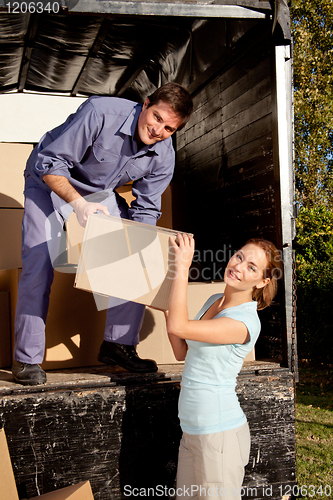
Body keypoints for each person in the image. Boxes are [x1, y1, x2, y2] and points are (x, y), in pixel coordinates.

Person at [12, 83, 194, 386]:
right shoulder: (101, 113)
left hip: (99, 192)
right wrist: (79, 206)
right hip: (49, 179)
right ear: (146, 103)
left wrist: (143, 249)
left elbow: (147, 210)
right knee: (40, 261)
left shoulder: (163, 155)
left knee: (140, 251)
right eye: (157, 117)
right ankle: (27, 359)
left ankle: (118, 344)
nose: (159, 130)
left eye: (169, 128)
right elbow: (50, 163)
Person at [166, 234, 283, 499]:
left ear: (262, 281)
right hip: (192, 430)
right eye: (239, 256)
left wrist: (181, 267)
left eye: (252, 267)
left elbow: (179, 326)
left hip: (218, 435)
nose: (239, 266)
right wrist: (166, 308)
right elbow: (181, 351)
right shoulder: (214, 301)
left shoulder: (244, 322)